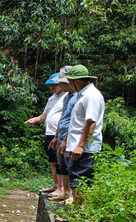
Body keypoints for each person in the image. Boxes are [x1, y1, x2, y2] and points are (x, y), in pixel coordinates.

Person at [59, 65, 105, 204]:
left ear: (76, 81)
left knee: (81, 180)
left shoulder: (91, 96)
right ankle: (77, 211)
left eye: (70, 81)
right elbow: (76, 123)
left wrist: (81, 145)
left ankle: (79, 212)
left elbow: (91, 123)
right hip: (76, 145)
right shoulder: (82, 95)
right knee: (76, 178)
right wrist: (66, 141)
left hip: (85, 148)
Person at [25, 72, 66, 194]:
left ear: (62, 84)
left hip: (59, 134)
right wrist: (36, 119)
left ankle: (62, 188)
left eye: (55, 85)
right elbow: (45, 114)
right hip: (49, 132)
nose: (52, 87)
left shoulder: (66, 97)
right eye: (51, 85)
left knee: (60, 160)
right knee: (52, 160)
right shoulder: (51, 98)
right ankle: (56, 185)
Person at [48, 65, 76, 202]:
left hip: (70, 137)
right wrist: (56, 136)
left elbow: (75, 121)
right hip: (61, 135)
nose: (58, 84)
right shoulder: (67, 98)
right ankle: (64, 193)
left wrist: (65, 139)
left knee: (71, 165)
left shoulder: (78, 97)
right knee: (61, 165)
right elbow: (63, 118)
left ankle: (70, 195)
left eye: (60, 82)